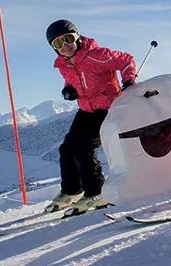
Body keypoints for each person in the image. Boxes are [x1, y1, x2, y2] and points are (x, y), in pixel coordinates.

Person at [44, 20, 136, 215]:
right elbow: (72, 81)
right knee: (66, 148)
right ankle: (72, 190)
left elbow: (126, 59)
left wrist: (128, 80)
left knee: (83, 148)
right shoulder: (63, 64)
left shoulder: (97, 56)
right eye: (58, 43)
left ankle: (97, 193)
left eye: (68, 39)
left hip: (108, 108)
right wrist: (68, 90)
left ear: (77, 37)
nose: (65, 46)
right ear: (54, 48)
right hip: (86, 110)